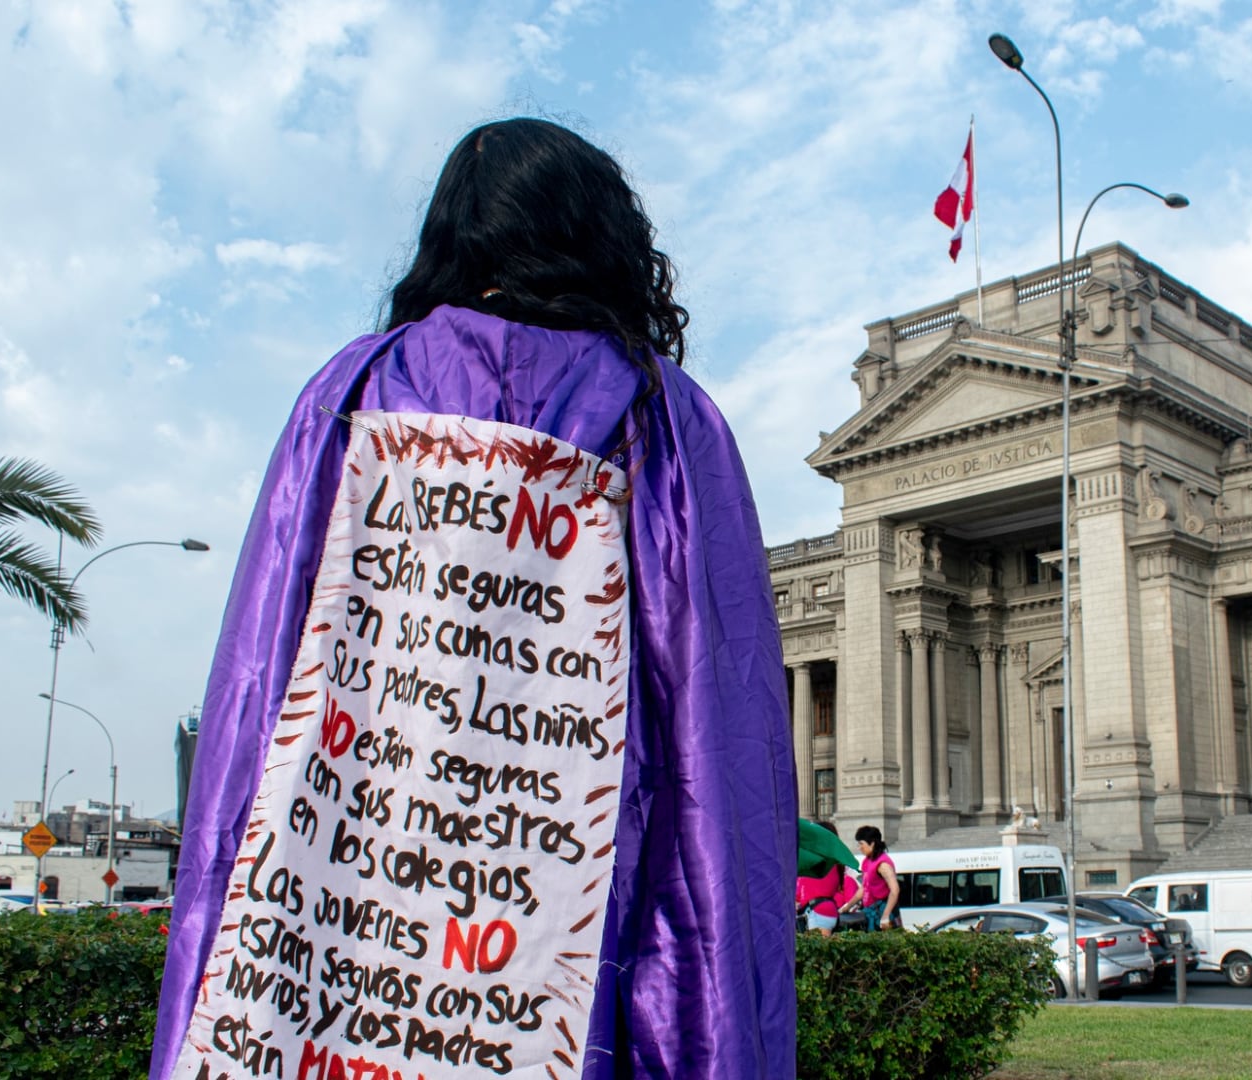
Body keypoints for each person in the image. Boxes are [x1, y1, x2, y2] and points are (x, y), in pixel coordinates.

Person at [152, 119, 795, 1080]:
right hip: (590, 916)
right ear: (603, 232)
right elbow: (719, 717)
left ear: (454, 236)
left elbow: (266, 666)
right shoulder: (667, 412)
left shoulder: (355, 388)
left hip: (354, 889)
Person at [796, 821, 856, 937]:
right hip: (826, 909)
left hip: (818, 911)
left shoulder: (820, 859)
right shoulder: (834, 861)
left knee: (819, 951)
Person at [841, 825, 901, 931]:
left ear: (872, 843)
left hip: (883, 911)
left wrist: (886, 915)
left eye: (861, 844)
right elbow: (864, 888)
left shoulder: (883, 864)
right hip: (870, 911)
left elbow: (895, 890)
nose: (859, 847)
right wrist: (847, 906)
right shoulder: (867, 861)